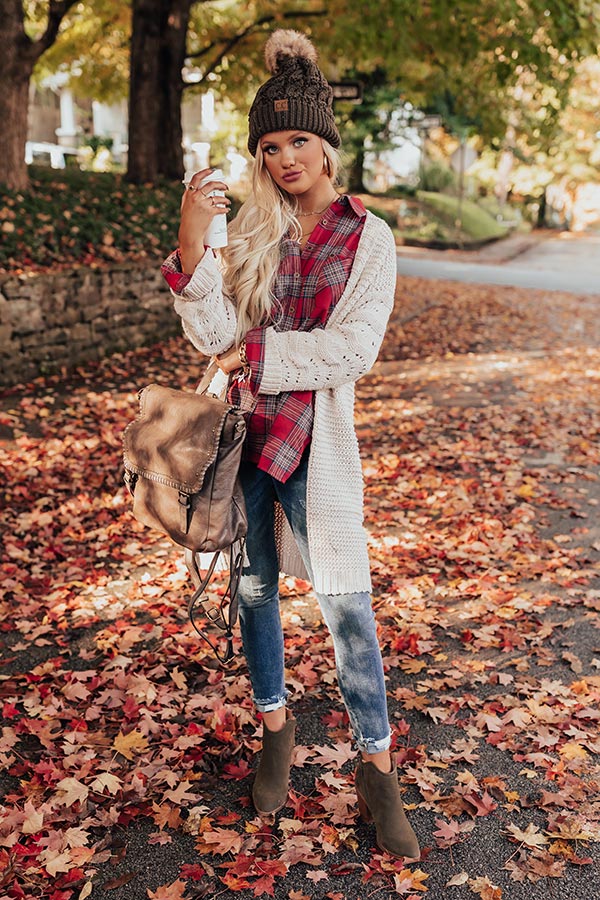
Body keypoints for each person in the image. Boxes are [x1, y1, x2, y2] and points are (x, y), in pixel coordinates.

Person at [161, 29, 419, 860]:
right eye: (269, 146)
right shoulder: (255, 232)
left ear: (327, 145)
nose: (284, 159)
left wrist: (260, 354)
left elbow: (354, 350)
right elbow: (212, 334)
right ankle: (276, 730)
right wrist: (195, 243)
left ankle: (376, 770)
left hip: (316, 441)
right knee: (254, 588)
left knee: (346, 600)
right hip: (244, 437)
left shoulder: (366, 237)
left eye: (298, 141)